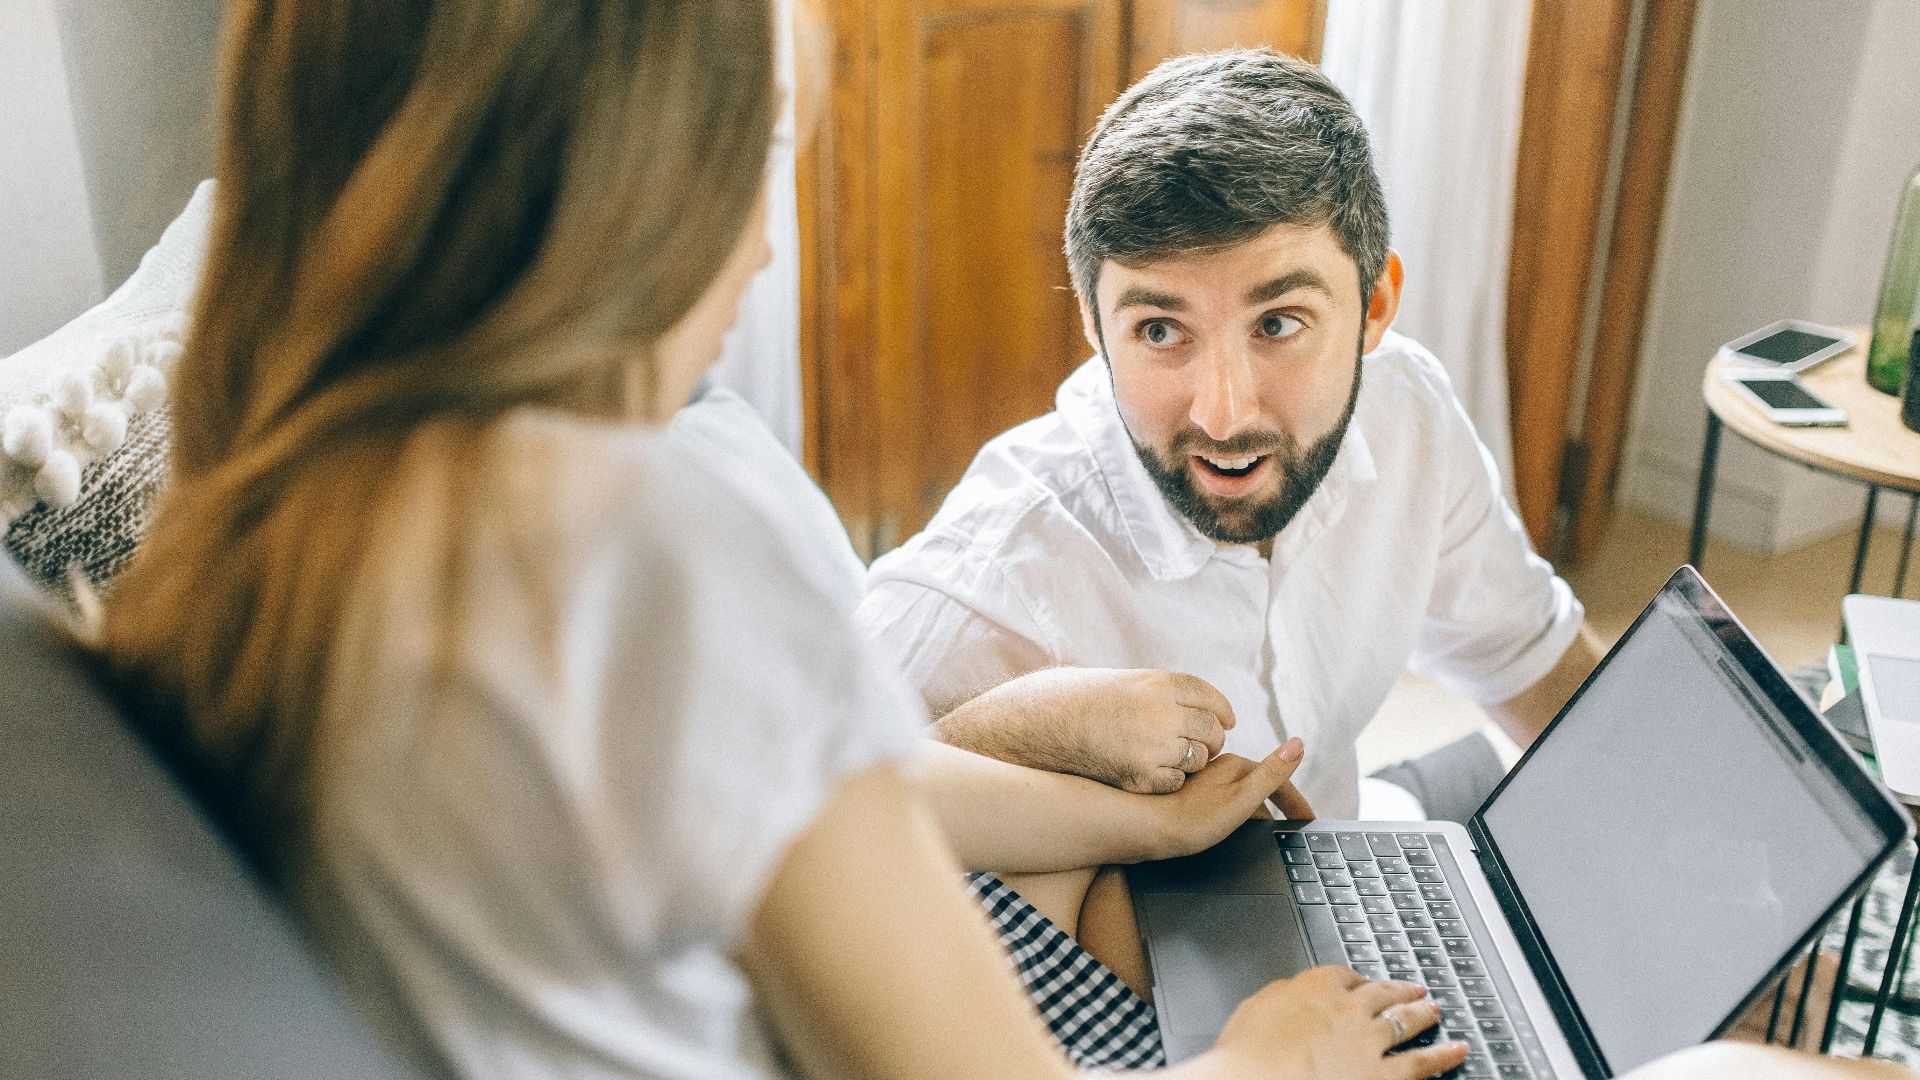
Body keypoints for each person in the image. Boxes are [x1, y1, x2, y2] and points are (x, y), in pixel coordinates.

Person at [81, 2, 1463, 1078]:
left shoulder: (261, 519)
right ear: (655, 184)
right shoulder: (660, 547)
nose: (755, 254)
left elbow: (774, 801)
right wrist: (1268, 1062)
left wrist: (1125, 813)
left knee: (1106, 880)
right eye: (766, 154)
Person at [856, 48, 1605, 825]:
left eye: (1278, 324)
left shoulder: (1407, 410)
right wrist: (1017, 728)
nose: (1223, 416)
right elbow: (815, 820)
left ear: (1375, 306)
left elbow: (1536, 665)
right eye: (1158, 329)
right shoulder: (994, 576)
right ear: (1093, 324)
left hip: (1354, 850)